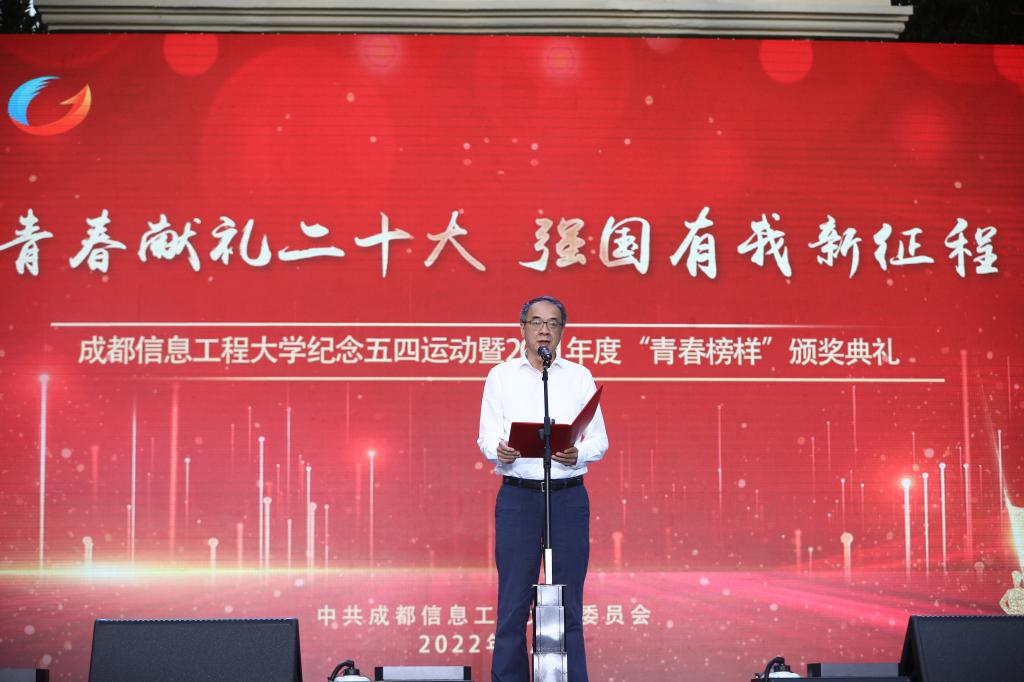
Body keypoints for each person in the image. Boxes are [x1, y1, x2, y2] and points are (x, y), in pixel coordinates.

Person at [477, 295, 609, 682]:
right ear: (523, 329)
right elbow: (486, 437)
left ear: (562, 330)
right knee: (513, 605)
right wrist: (499, 450)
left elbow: (599, 440)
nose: (544, 330)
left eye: (552, 323)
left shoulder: (578, 376)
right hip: (518, 496)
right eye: (536, 322)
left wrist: (578, 453)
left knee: (568, 604)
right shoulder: (501, 376)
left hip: (567, 497)